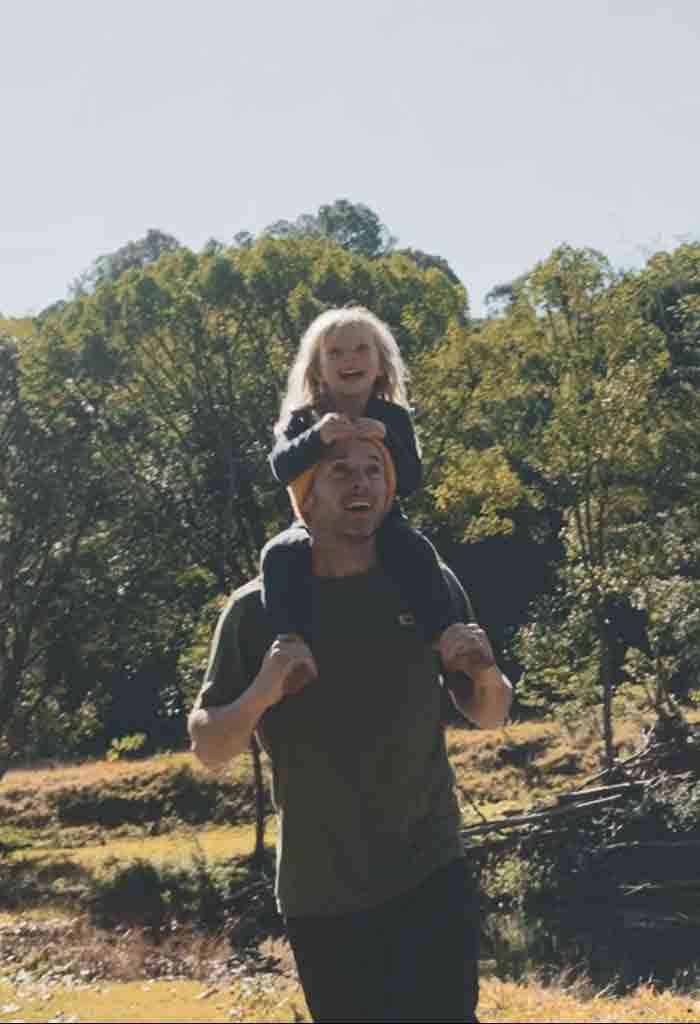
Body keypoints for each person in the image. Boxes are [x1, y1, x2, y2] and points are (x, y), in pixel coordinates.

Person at [189, 432, 512, 1023]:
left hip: (429, 864)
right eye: (341, 471)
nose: (361, 483)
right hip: (323, 888)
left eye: (374, 471)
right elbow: (209, 745)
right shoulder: (258, 609)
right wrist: (263, 689)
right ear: (305, 499)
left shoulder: (427, 583)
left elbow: (490, 712)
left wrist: (486, 673)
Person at [260, 305, 462, 674]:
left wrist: (387, 438)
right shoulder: (305, 417)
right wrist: (316, 438)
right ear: (318, 367)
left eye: (360, 350)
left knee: (415, 548)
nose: (348, 360)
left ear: (381, 363)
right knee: (278, 555)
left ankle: (446, 635)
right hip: (314, 520)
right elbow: (280, 467)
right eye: (335, 352)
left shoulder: (393, 417)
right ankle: (290, 644)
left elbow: (412, 480)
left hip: (381, 518)